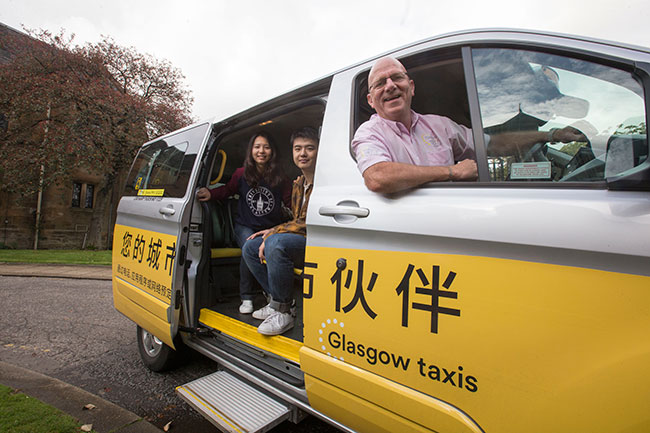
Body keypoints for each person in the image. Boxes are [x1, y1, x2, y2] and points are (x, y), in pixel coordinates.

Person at [351, 57, 585, 193]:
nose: (390, 85)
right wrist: (452, 172)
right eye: (380, 83)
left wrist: (550, 134)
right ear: (371, 100)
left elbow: (493, 144)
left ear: (411, 87)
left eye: (397, 78)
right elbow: (377, 177)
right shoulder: (369, 133)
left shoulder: (440, 126)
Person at [197, 132, 291, 314]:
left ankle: (273, 294)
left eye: (266, 147)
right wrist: (210, 193)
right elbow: (227, 190)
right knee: (250, 247)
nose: (261, 151)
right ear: (251, 151)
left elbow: (290, 202)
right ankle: (248, 296)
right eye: (257, 147)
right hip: (244, 226)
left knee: (275, 251)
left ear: (272, 151)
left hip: (270, 227)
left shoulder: (281, 177)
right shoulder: (241, 174)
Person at [242, 127, 318, 336]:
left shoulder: (324, 182)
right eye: (298, 149)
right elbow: (296, 221)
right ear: (292, 153)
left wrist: (275, 233)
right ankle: (279, 300)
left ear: (319, 151)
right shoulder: (298, 183)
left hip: (318, 241)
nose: (303, 154)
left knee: (276, 243)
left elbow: (312, 222)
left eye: (310, 148)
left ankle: (283, 311)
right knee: (250, 247)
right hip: (300, 238)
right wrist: (273, 230)